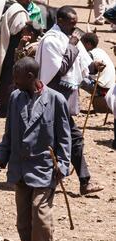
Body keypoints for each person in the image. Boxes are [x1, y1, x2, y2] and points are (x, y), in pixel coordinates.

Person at [0, 57, 71, 241]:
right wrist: (2, 157)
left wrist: (63, 165)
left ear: (30, 77)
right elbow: (9, 133)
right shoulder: (16, 98)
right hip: (19, 168)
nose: (13, 83)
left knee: (40, 211)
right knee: (23, 220)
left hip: (45, 167)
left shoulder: (56, 100)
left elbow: (65, 137)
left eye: (16, 79)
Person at [35, 6, 105, 196]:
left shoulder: (70, 38)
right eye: (71, 24)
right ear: (60, 21)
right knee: (70, 138)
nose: (74, 28)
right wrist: (73, 45)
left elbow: (81, 64)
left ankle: (74, 179)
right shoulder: (51, 40)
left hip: (66, 97)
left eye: (76, 24)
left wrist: (93, 66)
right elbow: (60, 69)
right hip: (53, 96)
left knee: (64, 138)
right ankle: (82, 180)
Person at [0, 0, 30, 117]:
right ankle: (5, 109)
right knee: (8, 80)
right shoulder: (19, 12)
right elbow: (18, 32)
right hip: (10, 52)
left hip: (0, 49)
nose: (29, 1)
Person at [80, 32, 115, 99]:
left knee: (77, 77)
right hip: (109, 88)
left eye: (82, 44)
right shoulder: (100, 50)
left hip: (102, 90)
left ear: (88, 44)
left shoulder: (90, 54)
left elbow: (81, 68)